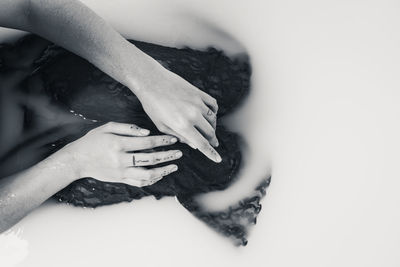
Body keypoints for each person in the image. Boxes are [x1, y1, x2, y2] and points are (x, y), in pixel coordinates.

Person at [0, 0, 221, 233]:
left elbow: (29, 7)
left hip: (26, 75)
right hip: (26, 174)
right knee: (202, 168)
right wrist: (73, 163)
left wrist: (148, 78)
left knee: (209, 87)